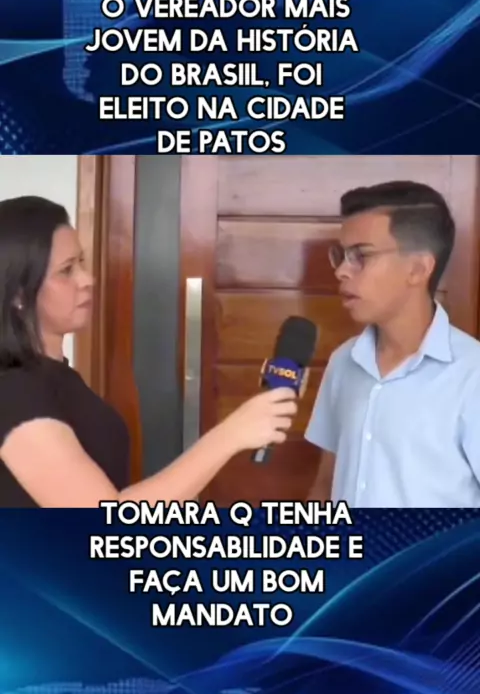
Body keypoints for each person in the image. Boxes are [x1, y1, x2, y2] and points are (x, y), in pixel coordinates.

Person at [0, 196, 297, 508]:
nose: (87, 279)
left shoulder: (56, 379)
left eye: (81, 263)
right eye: (66, 270)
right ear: (18, 294)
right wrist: (230, 435)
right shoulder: (13, 394)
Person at [305, 180, 480, 508]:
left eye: (361, 256)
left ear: (418, 269)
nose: (341, 271)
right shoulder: (343, 362)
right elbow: (325, 485)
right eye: (340, 256)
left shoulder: (472, 376)